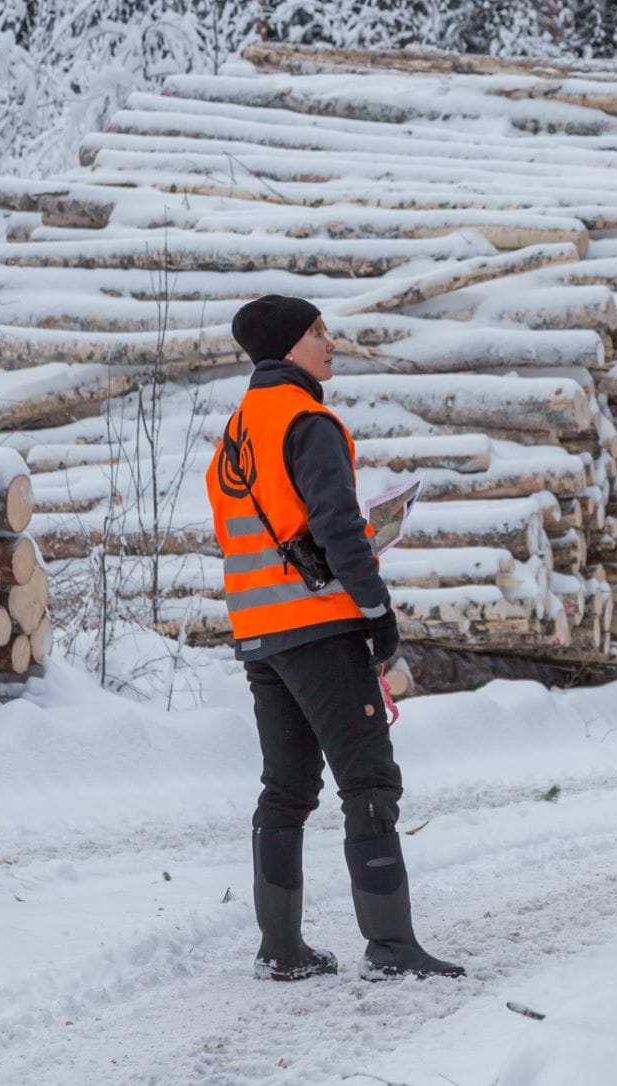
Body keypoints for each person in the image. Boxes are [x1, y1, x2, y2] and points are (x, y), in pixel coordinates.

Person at [206, 294, 464, 982]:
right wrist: (377, 612)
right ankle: (390, 948)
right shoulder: (307, 419)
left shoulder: (234, 434)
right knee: (369, 783)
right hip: (319, 625)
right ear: (289, 345)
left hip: (259, 634)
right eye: (319, 332)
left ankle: (280, 949)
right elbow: (336, 527)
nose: (330, 343)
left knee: (285, 790)